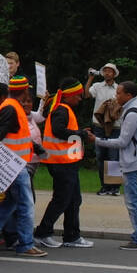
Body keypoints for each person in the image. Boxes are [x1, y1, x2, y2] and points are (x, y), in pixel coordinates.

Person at [0, 75, 47, 257]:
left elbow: (15, 134)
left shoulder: (13, 107)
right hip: (14, 165)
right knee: (26, 204)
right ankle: (25, 244)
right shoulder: (11, 108)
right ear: (25, 90)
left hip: (15, 163)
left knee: (11, 203)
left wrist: (35, 147)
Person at [86, 81, 137, 251]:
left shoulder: (132, 114)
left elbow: (123, 142)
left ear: (128, 95)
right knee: (135, 199)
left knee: (132, 202)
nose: (116, 96)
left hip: (134, 163)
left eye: (119, 93)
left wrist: (97, 140)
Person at [35, 78, 92, 248]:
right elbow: (59, 131)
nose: (80, 99)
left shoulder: (62, 108)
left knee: (74, 199)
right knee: (62, 199)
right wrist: (80, 134)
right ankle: (43, 233)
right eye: (78, 96)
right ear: (69, 96)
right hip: (61, 162)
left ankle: (72, 236)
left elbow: (62, 131)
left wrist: (78, 133)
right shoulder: (61, 110)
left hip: (65, 162)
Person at [86, 62, 122, 195]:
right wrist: (90, 78)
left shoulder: (119, 88)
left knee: (113, 157)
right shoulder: (97, 86)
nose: (107, 73)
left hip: (115, 126)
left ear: (114, 74)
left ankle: (114, 187)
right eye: (105, 71)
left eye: (110, 71)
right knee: (101, 156)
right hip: (99, 125)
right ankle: (104, 186)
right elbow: (87, 95)